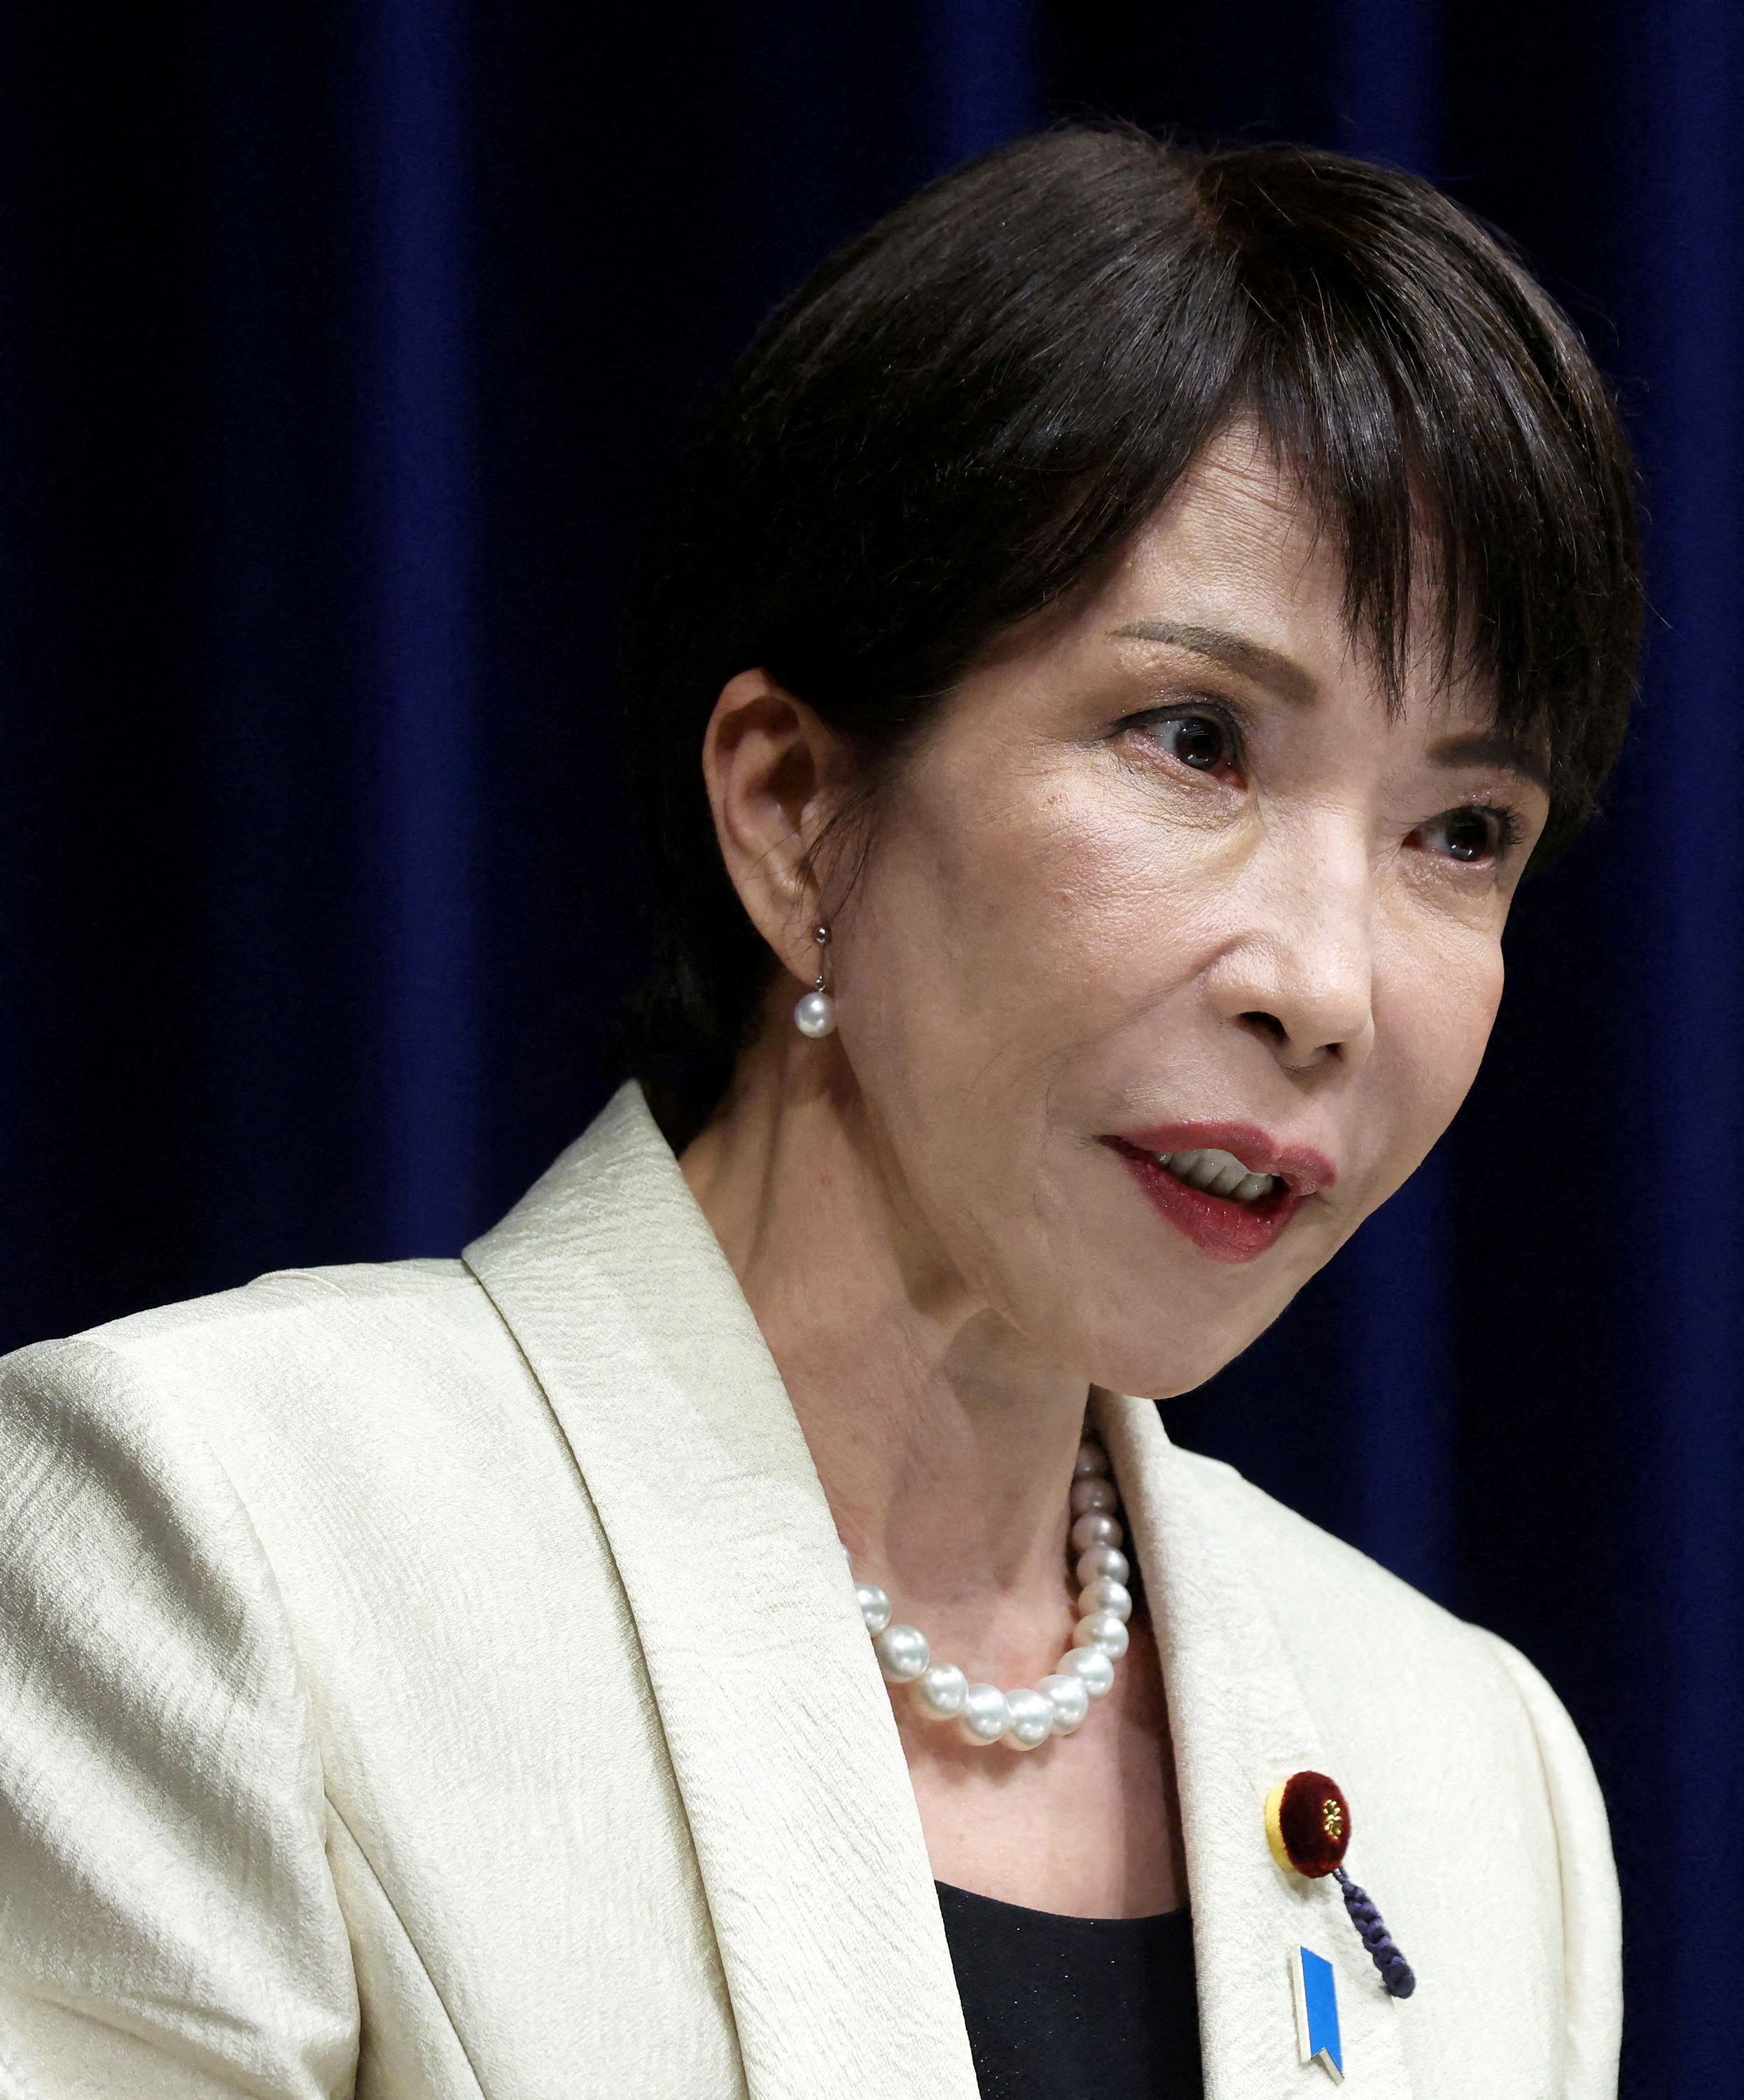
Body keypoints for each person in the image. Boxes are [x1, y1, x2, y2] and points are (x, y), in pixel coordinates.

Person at [0, 125, 1638, 2099]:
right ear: (792, 809)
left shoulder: (1463, 1769)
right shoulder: (228, 1535)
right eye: (1191, 740)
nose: (1330, 984)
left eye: (1462, 833)